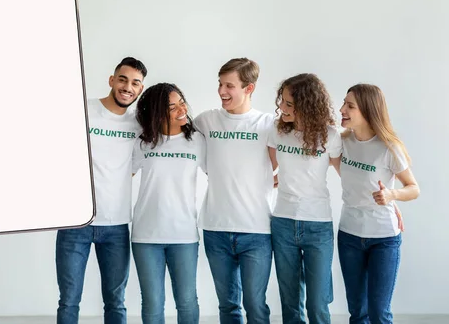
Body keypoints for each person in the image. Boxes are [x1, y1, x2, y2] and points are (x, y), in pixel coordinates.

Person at [0, 57, 148, 324]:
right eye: (123, 79)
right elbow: (33, 129)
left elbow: (137, 165)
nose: (128, 87)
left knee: (115, 302)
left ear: (140, 89)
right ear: (112, 80)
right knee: (69, 301)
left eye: (135, 83)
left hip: (116, 226)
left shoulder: (139, 126)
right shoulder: (82, 110)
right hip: (75, 222)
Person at [193, 58, 275, 324]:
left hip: (257, 230)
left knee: (255, 305)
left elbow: (291, 162)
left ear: (249, 88)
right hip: (215, 228)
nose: (221, 91)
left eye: (230, 85)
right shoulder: (206, 121)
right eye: (220, 84)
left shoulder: (268, 124)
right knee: (228, 306)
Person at [337, 84, 420, 324]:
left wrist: (392, 196)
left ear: (368, 110)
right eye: (344, 103)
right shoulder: (342, 142)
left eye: (349, 106)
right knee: (358, 312)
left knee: (378, 313)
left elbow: (413, 189)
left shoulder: (388, 147)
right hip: (349, 236)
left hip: (383, 239)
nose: (342, 109)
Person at [267, 74, 341, 324]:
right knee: (290, 303)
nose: (282, 108)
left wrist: (390, 200)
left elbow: (350, 178)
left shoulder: (330, 136)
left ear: (307, 105)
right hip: (283, 223)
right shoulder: (277, 131)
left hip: (318, 225)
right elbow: (266, 170)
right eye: (282, 102)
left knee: (317, 304)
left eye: (289, 104)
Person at [131, 82, 206, 324]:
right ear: (156, 112)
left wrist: (270, 175)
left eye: (181, 102)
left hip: (184, 235)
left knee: (186, 301)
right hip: (146, 236)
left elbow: (222, 171)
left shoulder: (197, 141)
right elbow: (118, 174)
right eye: (172, 106)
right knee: (152, 303)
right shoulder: (142, 142)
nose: (181, 109)